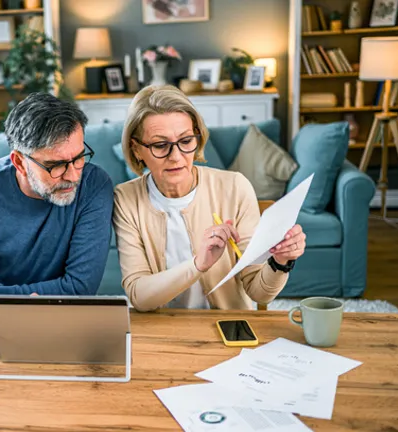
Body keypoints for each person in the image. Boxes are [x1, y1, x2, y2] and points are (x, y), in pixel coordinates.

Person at [113, 85, 306, 311]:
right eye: (160, 145)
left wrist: (280, 261)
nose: (176, 157)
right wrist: (198, 264)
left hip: (227, 327)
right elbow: (139, 296)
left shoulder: (235, 187)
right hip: (162, 330)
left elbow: (259, 293)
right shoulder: (125, 199)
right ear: (136, 149)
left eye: (185, 141)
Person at [0, 93, 114, 329]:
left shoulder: (95, 185)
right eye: (56, 166)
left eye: (79, 158)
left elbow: (80, 287)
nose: (74, 176)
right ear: (20, 162)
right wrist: (16, 314)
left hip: (68, 320)